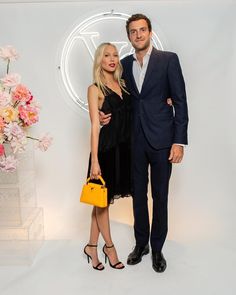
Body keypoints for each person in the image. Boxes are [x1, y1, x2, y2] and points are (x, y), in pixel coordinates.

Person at [100, 14, 189, 273]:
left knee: (160, 196)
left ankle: (158, 247)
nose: (138, 35)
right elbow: (117, 95)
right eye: (133, 32)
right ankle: (141, 244)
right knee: (138, 196)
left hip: (163, 141)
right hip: (134, 141)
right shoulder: (124, 64)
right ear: (129, 36)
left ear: (149, 32)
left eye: (142, 30)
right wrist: (104, 115)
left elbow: (180, 101)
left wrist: (179, 141)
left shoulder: (168, 60)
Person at [83, 42, 132, 270]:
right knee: (102, 203)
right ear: (99, 60)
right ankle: (109, 247)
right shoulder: (95, 89)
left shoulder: (123, 84)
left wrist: (167, 100)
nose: (112, 59)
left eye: (115, 55)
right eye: (106, 55)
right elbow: (95, 125)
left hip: (124, 149)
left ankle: (91, 246)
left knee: (100, 202)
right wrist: (95, 161)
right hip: (106, 151)